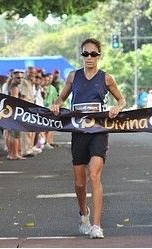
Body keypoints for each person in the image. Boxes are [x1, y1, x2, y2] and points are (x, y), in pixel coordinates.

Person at [51, 38, 126, 239]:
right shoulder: (73, 77)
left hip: (98, 132)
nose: (89, 57)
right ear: (82, 55)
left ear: (99, 56)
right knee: (79, 183)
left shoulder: (106, 78)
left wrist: (117, 108)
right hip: (79, 133)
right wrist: (57, 105)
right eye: (86, 54)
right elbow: (61, 99)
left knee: (94, 175)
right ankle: (84, 214)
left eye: (93, 54)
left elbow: (121, 99)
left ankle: (96, 225)